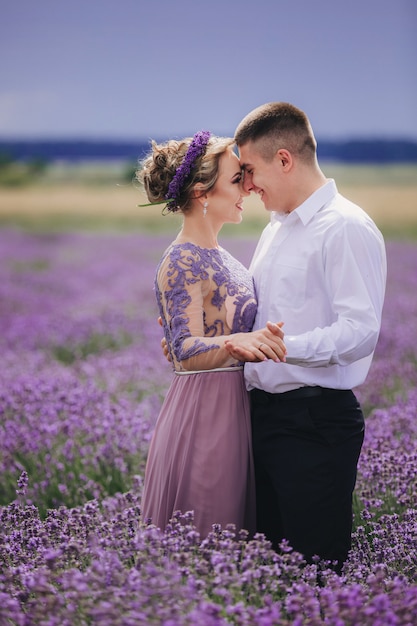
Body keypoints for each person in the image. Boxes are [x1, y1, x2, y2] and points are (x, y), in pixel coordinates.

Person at [224, 102, 387, 572]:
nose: (247, 185)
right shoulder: (276, 229)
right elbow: (259, 316)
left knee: (314, 569)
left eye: (251, 170)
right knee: (267, 566)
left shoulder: (346, 227)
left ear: (284, 159)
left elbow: (360, 330)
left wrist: (282, 348)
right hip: (259, 416)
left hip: (313, 423)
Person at [138, 131, 286, 538]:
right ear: (203, 192)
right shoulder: (182, 258)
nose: (248, 189)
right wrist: (244, 344)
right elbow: (185, 350)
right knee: (207, 534)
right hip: (204, 413)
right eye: (237, 179)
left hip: (237, 406)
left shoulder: (224, 257)